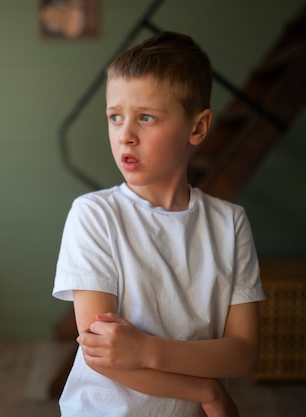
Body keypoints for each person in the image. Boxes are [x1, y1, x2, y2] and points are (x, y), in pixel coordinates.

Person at [52, 31, 265, 417]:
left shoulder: (230, 224)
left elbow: (242, 353)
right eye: (115, 117)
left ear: (198, 128)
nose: (125, 136)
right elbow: (102, 353)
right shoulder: (94, 215)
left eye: (146, 117)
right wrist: (208, 392)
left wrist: (147, 350)